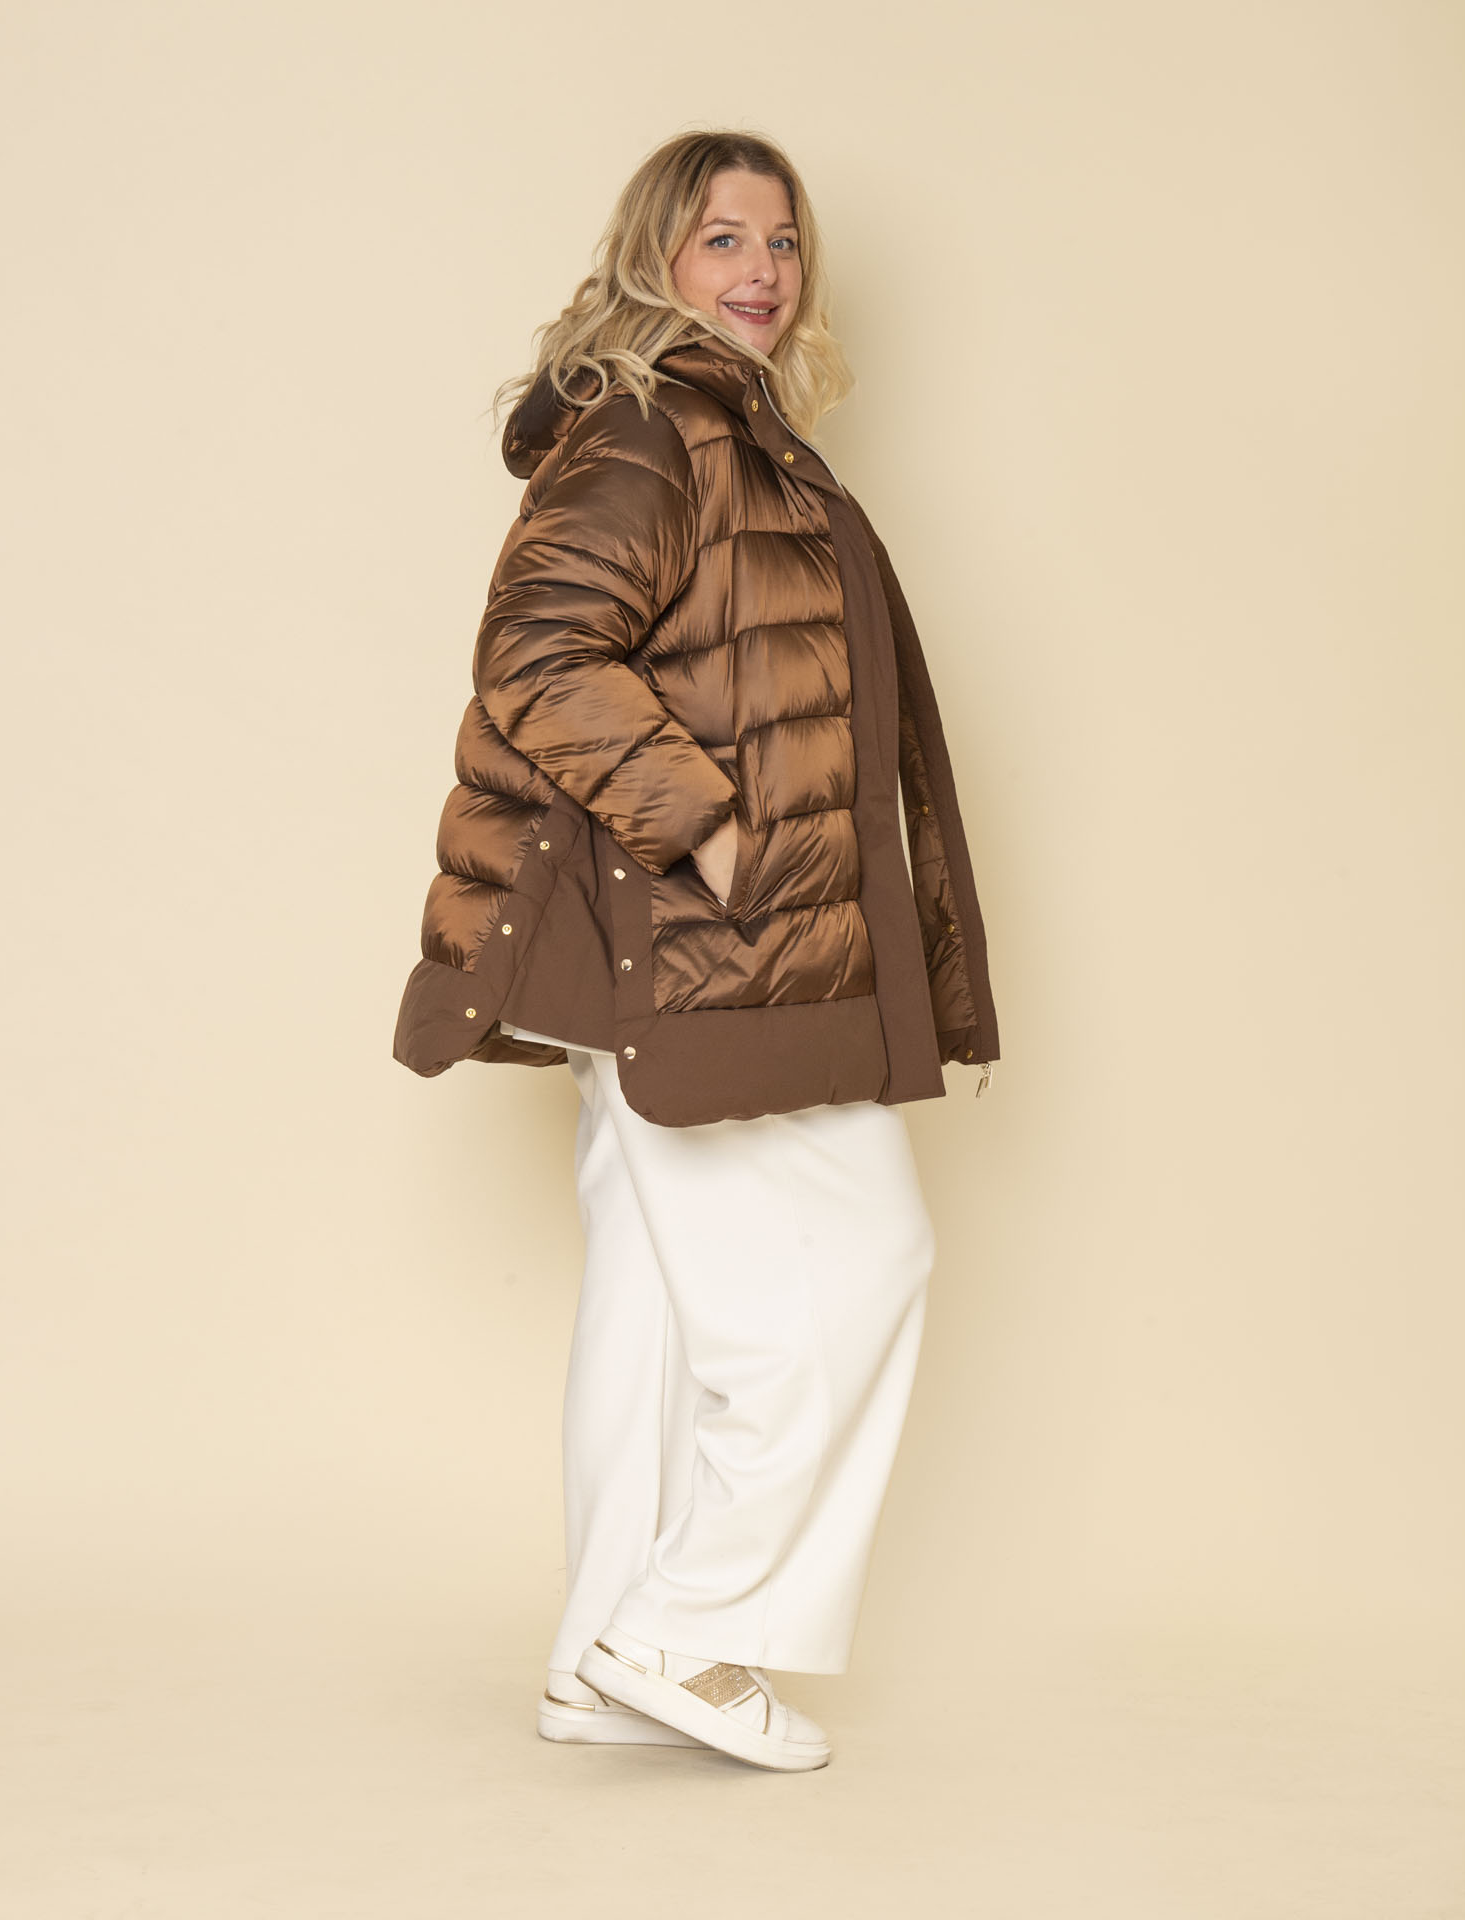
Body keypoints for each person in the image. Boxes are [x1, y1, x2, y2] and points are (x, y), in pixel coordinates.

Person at [392, 129, 1000, 1773]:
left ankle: (597, 1659)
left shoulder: (738, 436)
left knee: (658, 1312)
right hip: (696, 942)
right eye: (723, 236)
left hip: (667, 945)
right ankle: (686, 1629)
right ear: (654, 254)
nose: (761, 270)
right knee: (858, 1263)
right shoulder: (653, 428)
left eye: (782, 242)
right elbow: (539, 652)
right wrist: (717, 836)